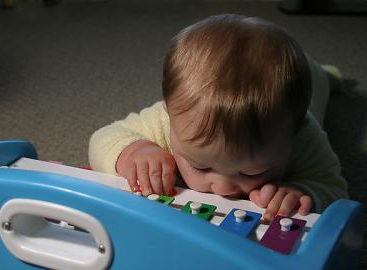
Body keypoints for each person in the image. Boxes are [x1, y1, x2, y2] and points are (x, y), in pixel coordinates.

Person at [89, 14, 348, 221]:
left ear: (295, 130)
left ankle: (325, 75)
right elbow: (102, 138)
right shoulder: (166, 120)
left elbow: (336, 192)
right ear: (169, 111)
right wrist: (134, 151)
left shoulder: (304, 134)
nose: (224, 189)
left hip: (312, 85)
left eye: (251, 172)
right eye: (201, 166)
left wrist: (304, 193)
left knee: (318, 77)